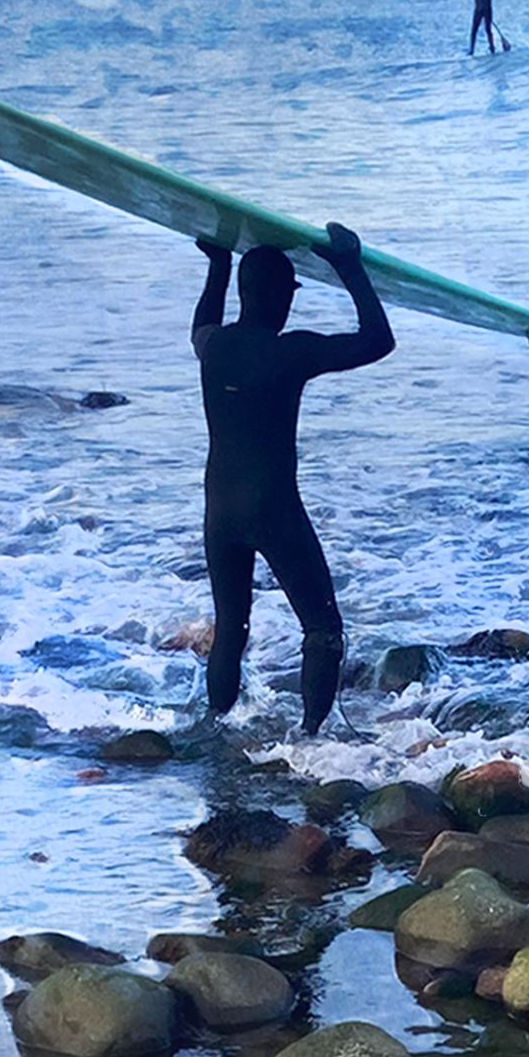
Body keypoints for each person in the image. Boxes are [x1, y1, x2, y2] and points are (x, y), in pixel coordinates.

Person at [191, 223, 395, 734]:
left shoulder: (214, 348)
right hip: (272, 509)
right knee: (323, 629)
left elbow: (201, 324)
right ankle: (308, 740)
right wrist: (350, 265)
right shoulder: (291, 351)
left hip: (219, 513)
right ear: (282, 297)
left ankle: (214, 728)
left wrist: (216, 265)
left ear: (242, 292)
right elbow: (378, 340)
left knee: (231, 631)